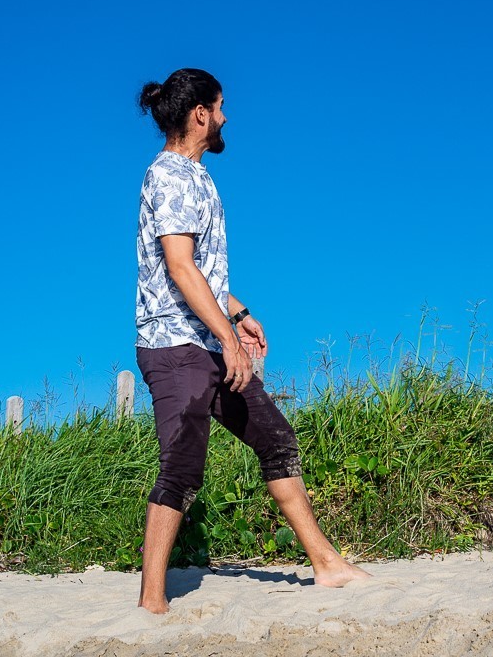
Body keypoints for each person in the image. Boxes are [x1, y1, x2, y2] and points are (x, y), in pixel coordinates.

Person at [134, 68, 369, 613]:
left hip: (210, 340)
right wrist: (229, 339)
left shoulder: (197, 176)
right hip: (174, 345)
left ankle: (327, 565)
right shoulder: (169, 174)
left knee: (275, 437)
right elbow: (178, 266)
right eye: (220, 106)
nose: (225, 116)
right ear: (200, 114)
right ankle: (151, 601)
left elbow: (205, 273)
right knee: (183, 464)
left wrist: (239, 313)